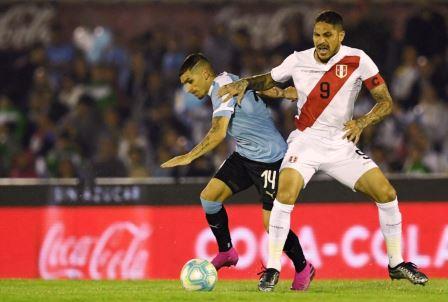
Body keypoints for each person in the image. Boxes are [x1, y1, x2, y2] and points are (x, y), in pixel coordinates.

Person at [218, 10, 429, 292]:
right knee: (286, 192)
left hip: (340, 143)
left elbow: (385, 101)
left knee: (387, 193)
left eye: (327, 35)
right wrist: (245, 82)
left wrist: (363, 121)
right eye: (317, 35)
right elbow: (270, 79)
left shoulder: (358, 59)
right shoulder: (298, 60)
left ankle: (396, 263)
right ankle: (272, 268)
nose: (321, 41)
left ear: (341, 36)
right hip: (305, 141)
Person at [161, 53, 314, 290]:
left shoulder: (221, 87)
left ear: (204, 74)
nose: (188, 89)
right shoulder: (226, 81)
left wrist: (188, 156)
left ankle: (304, 267)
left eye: (190, 81)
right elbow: (254, 89)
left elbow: (219, 131)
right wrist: (282, 93)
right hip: (245, 155)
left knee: (271, 223)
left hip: (271, 159)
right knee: (209, 198)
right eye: (184, 85)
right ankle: (227, 251)